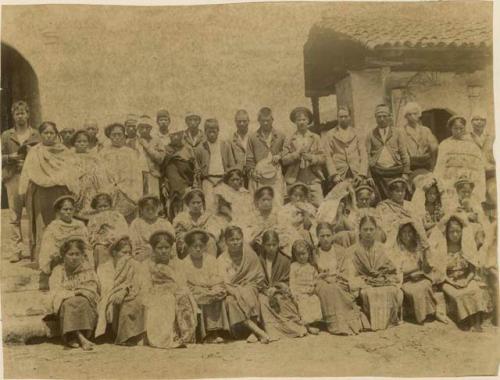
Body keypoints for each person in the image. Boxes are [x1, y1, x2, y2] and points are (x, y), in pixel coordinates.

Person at [19, 121, 79, 263]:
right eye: (46, 133)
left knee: (61, 222)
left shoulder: (64, 151)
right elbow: (29, 172)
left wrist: (64, 182)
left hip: (60, 192)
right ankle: (44, 260)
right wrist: (23, 193)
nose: (49, 135)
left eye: (52, 133)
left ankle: (64, 257)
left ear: (56, 134)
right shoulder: (35, 151)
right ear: (40, 135)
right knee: (43, 225)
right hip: (42, 193)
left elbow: (72, 170)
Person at [428, 215, 491, 331]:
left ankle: (476, 321)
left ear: (462, 232)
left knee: (475, 291)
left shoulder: (466, 247)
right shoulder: (442, 248)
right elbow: (440, 272)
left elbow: (472, 270)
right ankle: (465, 320)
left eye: (458, 231)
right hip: (447, 280)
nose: (455, 235)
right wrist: (451, 282)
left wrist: (466, 281)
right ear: (446, 232)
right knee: (458, 295)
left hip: (465, 278)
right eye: (452, 232)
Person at [142, 230, 197, 348]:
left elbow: (181, 283)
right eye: (159, 248)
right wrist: (158, 292)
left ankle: (184, 335)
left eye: (166, 247)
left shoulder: (177, 264)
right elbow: (145, 286)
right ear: (154, 249)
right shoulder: (148, 265)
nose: (163, 251)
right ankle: (165, 338)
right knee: (164, 301)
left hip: (175, 292)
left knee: (182, 297)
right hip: (155, 295)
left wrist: (174, 290)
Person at [217, 226, 272, 343]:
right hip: (231, 290)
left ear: (242, 239)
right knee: (230, 301)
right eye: (232, 239)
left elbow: (258, 276)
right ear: (226, 241)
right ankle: (256, 330)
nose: (235, 242)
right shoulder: (222, 259)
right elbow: (223, 282)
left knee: (249, 291)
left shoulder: (250, 255)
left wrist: (246, 286)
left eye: (238, 239)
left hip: (250, 286)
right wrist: (237, 290)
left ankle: (253, 331)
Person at [1, 100, 40, 262]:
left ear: (28, 114)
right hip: (14, 177)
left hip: (31, 178)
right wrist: (11, 157)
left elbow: (43, 155)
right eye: (17, 113)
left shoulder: (36, 134)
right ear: (13, 116)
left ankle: (33, 249)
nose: (20, 116)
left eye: (23, 113)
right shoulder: (6, 135)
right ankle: (16, 250)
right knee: (14, 216)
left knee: (32, 214)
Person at [314, 222, 369, 335]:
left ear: (333, 235)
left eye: (328, 235)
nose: (325, 239)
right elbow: (312, 272)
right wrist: (324, 278)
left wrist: (336, 278)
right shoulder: (314, 253)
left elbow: (345, 271)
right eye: (322, 236)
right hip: (321, 282)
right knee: (328, 289)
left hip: (339, 280)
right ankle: (335, 325)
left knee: (335, 288)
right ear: (317, 237)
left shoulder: (340, 251)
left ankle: (349, 323)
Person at [389, 220, 447, 324]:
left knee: (426, 284)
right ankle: (421, 316)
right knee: (416, 290)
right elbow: (398, 270)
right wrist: (415, 270)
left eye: (410, 232)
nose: (407, 235)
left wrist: (425, 252)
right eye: (404, 233)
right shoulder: (397, 250)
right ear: (400, 235)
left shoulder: (418, 248)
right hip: (405, 280)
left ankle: (434, 312)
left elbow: (426, 267)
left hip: (419, 277)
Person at [350, 215, 403, 331]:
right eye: (365, 229)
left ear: (375, 230)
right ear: (360, 231)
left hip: (381, 279)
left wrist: (382, 275)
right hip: (363, 281)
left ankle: (389, 321)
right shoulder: (354, 250)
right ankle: (370, 322)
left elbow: (391, 268)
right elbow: (352, 273)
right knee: (368, 293)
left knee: (392, 290)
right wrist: (365, 279)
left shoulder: (382, 248)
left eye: (371, 229)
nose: (368, 233)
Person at [48, 236, 100, 351]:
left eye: (77, 254)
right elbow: (55, 291)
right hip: (66, 302)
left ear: (82, 255)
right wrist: (75, 292)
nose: (74, 258)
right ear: (64, 255)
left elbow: (92, 287)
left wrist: (82, 292)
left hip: (84, 300)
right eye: (70, 254)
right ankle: (78, 337)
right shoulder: (59, 270)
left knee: (83, 302)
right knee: (70, 304)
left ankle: (81, 335)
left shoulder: (87, 269)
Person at [179, 229, 230, 343]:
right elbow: (184, 283)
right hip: (194, 291)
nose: (197, 249)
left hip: (210, 288)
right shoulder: (184, 263)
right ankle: (204, 334)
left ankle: (215, 332)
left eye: (200, 246)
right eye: (194, 246)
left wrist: (214, 289)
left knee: (216, 295)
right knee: (202, 298)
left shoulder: (210, 260)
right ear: (188, 247)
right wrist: (202, 290)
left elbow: (216, 277)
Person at [257, 230, 308, 339]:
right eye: (268, 245)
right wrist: (265, 290)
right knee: (262, 301)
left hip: (279, 292)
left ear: (278, 244)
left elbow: (287, 280)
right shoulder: (259, 260)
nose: (271, 248)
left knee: (282, 301)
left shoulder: (285, 260)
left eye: (274, 245)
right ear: (263, 245)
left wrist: (276, 288)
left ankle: (288, 329)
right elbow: (256, 279)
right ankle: (270, 330)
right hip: (264, 292)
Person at [96, 235, 146, 345]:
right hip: (111, 296)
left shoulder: (135, 265)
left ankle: (130, 336)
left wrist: (125, 290)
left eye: (129, 253)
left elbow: (138, 284)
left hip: (131, 294)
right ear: (114, 253)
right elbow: (106, 288)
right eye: (124, 253)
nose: (127, 256)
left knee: (132, 301)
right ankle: (114, 332)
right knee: (116, 301)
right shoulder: (104, 268)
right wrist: (119, 291)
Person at [39, 196, 93, 287]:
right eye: (65, 209)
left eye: (70, 209)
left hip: (79, 256)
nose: (68, 212)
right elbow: (47, 247)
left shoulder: (80, 224)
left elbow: (86, 242)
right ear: (59, 211)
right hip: (62, 258)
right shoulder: (53, 227)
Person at [99, 123, 145, 223]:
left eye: (119, 134)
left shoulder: (131, 153)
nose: (117, 137)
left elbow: (137, 175)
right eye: (114, 135)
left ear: (124, 136)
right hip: (110, 191)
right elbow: (101, 174)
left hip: (129, 193)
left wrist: (135, 194)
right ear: (109, 136)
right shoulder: (103, 153)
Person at [434, 115, 486, 204]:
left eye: (461, 128)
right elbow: (440, 166)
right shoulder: (445, 144)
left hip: (468, 183)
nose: (458, 131)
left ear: (464, 128)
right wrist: (442, 185)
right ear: (451, 129)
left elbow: (479, 169)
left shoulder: (473, 145)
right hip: (450, 182)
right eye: (455, 128)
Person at [282, 107, 326, 206]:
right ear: (295, 122)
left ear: (308, 121)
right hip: (296, 179)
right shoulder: (289, 139)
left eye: (304, 120)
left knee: (320, 205)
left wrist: (312, 158)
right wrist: (296, 154)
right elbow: (284, 160)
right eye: (299, 120)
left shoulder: (315, 138)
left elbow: (323, 157)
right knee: (298, 207)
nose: (301, 122)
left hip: (313, 178)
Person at [366, 104, 410, 200]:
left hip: (396, 171)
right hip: (378, 173)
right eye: (379, 116)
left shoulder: (397, 133)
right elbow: (367, 157)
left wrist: (406, 173)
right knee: (378, 199)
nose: (382, 119)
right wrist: (368, 176)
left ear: (389, 117)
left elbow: (404, 154)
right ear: (375, 118)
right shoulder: (370, 134)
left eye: (384, 116)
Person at [242, 186, 300, 258]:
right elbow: (248, 227)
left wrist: (276, 230)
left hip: (276, 236)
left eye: (269, 200)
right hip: (259, 237)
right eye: (263, 200)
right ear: (257, 201)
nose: (266, 202)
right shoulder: (254, 214)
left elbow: (284, 226)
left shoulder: (278, 213)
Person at [246, 107, 286, 205]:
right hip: (259, 175)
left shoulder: (280, 135)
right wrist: (251, 172)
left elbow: (287, 151)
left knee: (277, 201)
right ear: (259, 120)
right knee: (258, 202)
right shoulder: (252, 137)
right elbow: (249, 158)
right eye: (263, 121)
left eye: (268, 120)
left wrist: (279, 155)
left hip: (275, 174)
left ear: (272, 120)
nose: (265, 123)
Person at [194, 118, 234, 213]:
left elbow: (231, 165)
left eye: (214, 131)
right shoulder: (200, 148)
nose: (212, 134)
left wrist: (225, 177)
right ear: (205, 132)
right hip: (208, 181)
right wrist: (204, 179)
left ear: (218, 131)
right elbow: (197, 168)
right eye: (209, 131)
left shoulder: (225, 145)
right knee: (209, 207)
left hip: (223, 180)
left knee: (224, 206)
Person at [173, 188, 225, 259]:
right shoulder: (181, 218)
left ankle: (210, 264)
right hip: (188, 243)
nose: (196, 205)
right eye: (193, 203)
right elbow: (178, 234)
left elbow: (214, 232)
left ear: (202, 203)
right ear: (188, 204)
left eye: (198, 202)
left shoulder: (208, 217)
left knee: (211, 241)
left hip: (205, 242)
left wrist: (201, 236)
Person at [161, 123, 198, 220]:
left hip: (186, 186)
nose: (176, 137)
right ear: (170, 136)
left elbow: (194, 168)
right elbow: (163, 169)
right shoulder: (165, 149)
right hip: (171, 188)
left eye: (178, 134)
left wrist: (194, 184)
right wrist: (164, 185)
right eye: (173, 135)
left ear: (182, 135)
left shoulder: (188, 149)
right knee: (172, 213)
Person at [71, 129, 111, 218]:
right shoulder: (70, 157)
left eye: (85, 141)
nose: (82, 144)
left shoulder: (95, 157)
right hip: (77, 189)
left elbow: (101, 174)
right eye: (79, 141)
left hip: (92, 188)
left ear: (88, 143)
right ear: (74, 143)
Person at [324, 106, 368, 186]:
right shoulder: (330, 134)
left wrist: (362, 173)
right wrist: (334, 175)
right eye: (341, 117)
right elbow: (327, 156)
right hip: (339, 173)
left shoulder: (357, 133)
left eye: (345, 116)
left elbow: (363, 154)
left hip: (356, 172)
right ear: (337, 118)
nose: (343, 119)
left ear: (349, 117)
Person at [376, 177, 425, 244]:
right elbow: (383, 223)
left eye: (402, 191)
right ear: (391, 192)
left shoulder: (410, 205)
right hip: (394, 234)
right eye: (397, 191)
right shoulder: (383, 206)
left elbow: (418, 220)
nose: (400, 194)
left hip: (411, 233)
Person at [87, 193, 129, 268]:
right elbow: (91, 235)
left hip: (117, 242)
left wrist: (115, 238)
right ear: (96, 208)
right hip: (102, 244)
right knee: (99, 249)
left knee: (122, 250)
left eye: (105, 206)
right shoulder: (93, 219)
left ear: (110, 206)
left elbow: (124, 230)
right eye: (100, 207)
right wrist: (100, 239)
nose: (103, 209)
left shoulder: (117, 216)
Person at [289, 239, 322, 334]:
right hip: (299, 292)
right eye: (298, 255)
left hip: (309, 291)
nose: (301, 257)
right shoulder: (294, 266)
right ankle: (307, 325)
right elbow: (292, 281)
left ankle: (313, 323)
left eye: (303, 254)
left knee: (315, 300)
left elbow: (315, 279)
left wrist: (314, 287)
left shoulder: (311, 267)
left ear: (308, 253)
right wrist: (294, 293)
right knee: (303, 303)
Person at [129, 195, 175, 261]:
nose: (150, 211)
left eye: (153, 208)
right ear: (141, 210)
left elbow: (172, 241)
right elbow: (133, 243)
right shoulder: (136, 223)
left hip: (163, 253)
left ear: (157, 208)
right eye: (147, 209)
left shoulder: (164, 223)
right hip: (144, 256)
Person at [400, 102, 438, 179]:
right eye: (409, 114)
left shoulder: (426, 130)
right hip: (410, 165)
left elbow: (434, 149)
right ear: (405, 116)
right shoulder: (401, 131)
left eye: (415, 114)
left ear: (419, 115)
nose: (412, 117)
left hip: (425, 164)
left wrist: (433, 167)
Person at [469, 111, 496, 207]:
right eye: (476, 119)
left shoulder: (493, 137)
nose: (479, 122)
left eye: (482, 120)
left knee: (494, 193)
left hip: (489, 173)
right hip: (473, 174)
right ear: (471, 122)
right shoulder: (467, 138)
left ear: (485, 122)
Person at [278, 182, 317, 247]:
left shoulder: (309, 207)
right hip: (290, 232)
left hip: (305, 233)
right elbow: (283, 225)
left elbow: (308, 226)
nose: (298, 198)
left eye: (301, 196)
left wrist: (305, 213)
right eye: (295, 195)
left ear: (305, 197)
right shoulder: (284, 209)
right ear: (290, 196)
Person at [136, 115, 166, 197]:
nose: (144, 130)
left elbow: (160, 159)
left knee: (153, 199)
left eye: (147, 127)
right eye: (142, 127)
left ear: (151, 128)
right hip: (137, 176)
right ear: (138, 128)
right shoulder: (134, 142)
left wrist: (147, 146)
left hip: (152, 174)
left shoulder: (157, 140)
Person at [226, 110, 251, 187]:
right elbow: (230, 160)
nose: (242, 124)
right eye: (239, 121)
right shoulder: (230, 140)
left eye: (244, 121)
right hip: (239, 175)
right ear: (235, 122)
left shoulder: (254, 137)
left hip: (252, 174)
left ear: (248, 121)